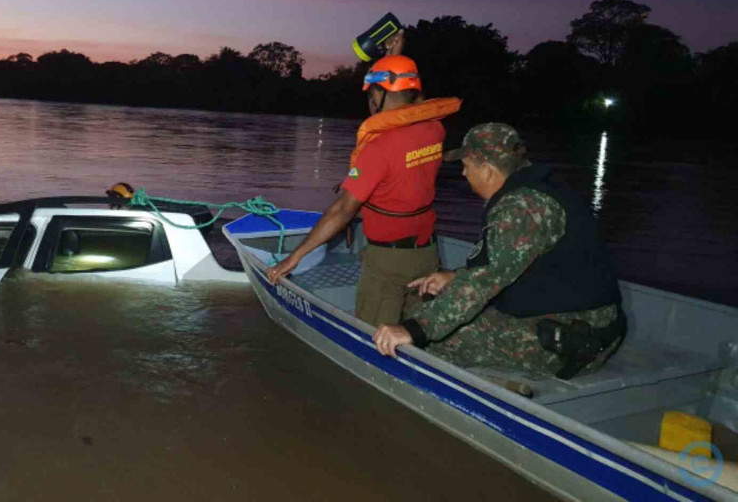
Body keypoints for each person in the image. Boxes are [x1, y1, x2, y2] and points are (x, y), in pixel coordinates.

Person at [372, 123, 625, 379]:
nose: (463, 173)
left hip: (574, 336)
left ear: (488, 170)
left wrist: (414, 330)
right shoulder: (536, 190)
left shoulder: (520, 208)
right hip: (568, 314)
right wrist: (455, 277)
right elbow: (506, 261)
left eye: (467, 165)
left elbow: (482, 283)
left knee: (430, 338)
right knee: (423, 301)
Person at [267, 34, 462, 327]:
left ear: (376, 97)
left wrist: (294, 257)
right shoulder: (434, 129)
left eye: (371, 94)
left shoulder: (379, 148)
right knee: (413, 328)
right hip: (427, 254)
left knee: (374, 336)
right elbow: (415, 103)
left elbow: (342, 211)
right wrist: (394, 58)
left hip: (388, 262)